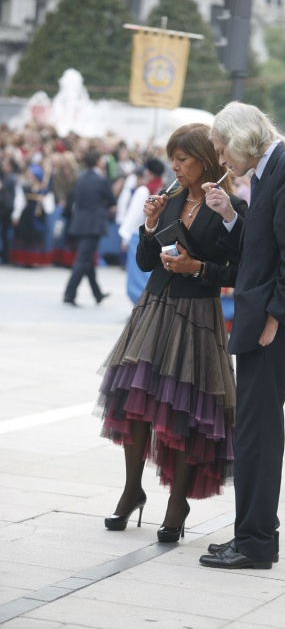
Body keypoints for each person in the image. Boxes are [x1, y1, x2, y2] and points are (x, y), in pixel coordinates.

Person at [96, 123, 247, 541]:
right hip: (154, 308)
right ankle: (131, 491)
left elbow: (239, 269)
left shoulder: (228, 207)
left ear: (205, 159)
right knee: (135, 403)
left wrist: (197, 267)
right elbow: (147, 262)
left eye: (182, 159)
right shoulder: (170, 199)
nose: (175, 167)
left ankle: (177, 502)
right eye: (173, 159)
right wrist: (149, 226)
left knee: (184, 410)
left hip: (197, 315)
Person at [199, 102, 285, 570]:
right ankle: (247, 535)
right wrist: (231, 213)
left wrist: (272, 319)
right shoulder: (271, 168)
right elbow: (261, 246)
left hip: (270, 325)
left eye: (223, 148)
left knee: (259, 435)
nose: (222, 160)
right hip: (258, 319)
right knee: (250, 433)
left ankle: (255, 543)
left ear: (244, 137)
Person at [63, 149, 116, 306]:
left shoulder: (81, 178)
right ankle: (69, 294)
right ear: (98, 162)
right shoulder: (101, 180)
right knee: (82, 259)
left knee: (87, 259)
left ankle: (97, 293)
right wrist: (102, 205)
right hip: (93, 224)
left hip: (79, 222)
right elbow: (112, 200)